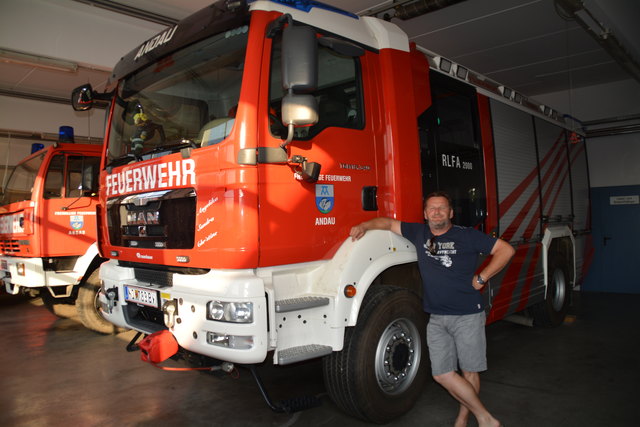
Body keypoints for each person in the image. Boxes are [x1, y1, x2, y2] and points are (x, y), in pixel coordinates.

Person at [350, 191, 514, 427]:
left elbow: (506, 250)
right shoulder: (418, 232)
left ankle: (463, 417)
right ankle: (485, 417)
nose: (437, 212)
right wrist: (364, 225)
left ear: (450, 212)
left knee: (469, 372)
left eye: (442, 208)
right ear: (425, 214)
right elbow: (386, 222)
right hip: (436, 317)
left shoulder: (466, 235)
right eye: (432, 208)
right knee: (441, 374)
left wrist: (482, 277)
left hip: (467, 314)